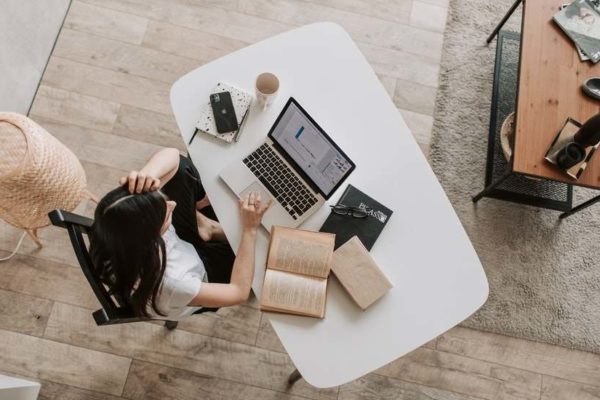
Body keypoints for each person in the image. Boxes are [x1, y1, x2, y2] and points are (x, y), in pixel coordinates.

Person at [89, 147, 271, 320]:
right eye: (165, 213)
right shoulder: (174, 284)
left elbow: (173, 157)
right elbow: (238, 292)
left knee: (182, 169)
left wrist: (147, 175)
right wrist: (249, 229)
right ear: (151, 237)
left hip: (177, 248)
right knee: (263, 252)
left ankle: (205, 228)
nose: (172, 205)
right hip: (202, 274)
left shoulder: (115, 223)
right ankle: (208, 227)